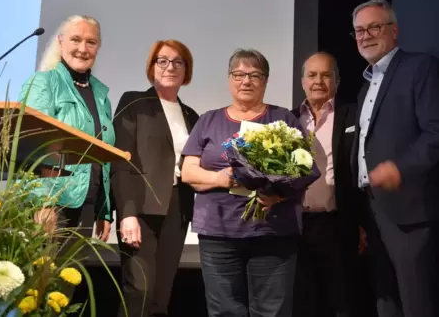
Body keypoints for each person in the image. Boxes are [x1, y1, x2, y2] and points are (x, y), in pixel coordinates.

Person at [181, 49, 308, 317]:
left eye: (254, 75)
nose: (246, 81)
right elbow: (189, 172)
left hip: (273, 233)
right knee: (225, 311)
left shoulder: (284, 119)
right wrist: (221, 177)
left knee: (272, 311)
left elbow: (302, 171)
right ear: (229, 79)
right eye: (239, 74)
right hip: (218, 234)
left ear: (265, 81)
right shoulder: (209, 120)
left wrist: (278, 195)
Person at [350, 0, 439, 317]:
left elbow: (435, 132)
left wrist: (400, 168)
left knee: (416, 303)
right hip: (374, 211)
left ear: (394, 30)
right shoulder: (365, 87)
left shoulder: (420, 67)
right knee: (386, 301)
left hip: (409, 211)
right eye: (359, 30)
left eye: (374, 27)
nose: (365, 35)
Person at [111, 39, 199, 317]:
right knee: (139, 290)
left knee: (162, 295)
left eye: (178, 61)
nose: (170, 67)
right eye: (162, 60)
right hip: (141, 210)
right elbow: (120, 161)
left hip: (178, 208)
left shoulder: (191, 115)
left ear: (187, 70)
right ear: (152, 67)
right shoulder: (134, 102)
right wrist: (126, 214)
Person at [19, 15, 114, 242]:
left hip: (86, 203)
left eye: (91, 42)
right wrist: (43, 204)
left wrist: (104, 210)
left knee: (71, 276)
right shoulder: (44, 83)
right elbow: (31, 144)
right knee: (43, 275)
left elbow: (104, 155)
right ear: (60, 41)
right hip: (51, 203)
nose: (83, 48)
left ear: (98, 47)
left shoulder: (101, 95)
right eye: (75, 40)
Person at [291, 52, 367, 317]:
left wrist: (362, 223)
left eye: (326, 75)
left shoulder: (355, 116)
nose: (318, 81)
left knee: (342, 302)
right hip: (296, 227)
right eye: (312, 75)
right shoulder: (288, 120)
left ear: (337, 80)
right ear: (302, 81)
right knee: (303, 304)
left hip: (338, 225)